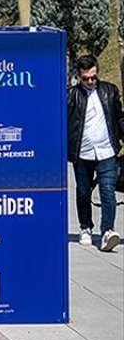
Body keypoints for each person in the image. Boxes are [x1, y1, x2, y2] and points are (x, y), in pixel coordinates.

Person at [67, 55, 122, 252]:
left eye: (93, 77)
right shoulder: (71, 96)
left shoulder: (109, 91)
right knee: (83, 191)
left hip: (106, 150)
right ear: (79, 77)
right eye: (86, 78)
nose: (90, 82)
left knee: (107, 190)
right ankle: (85, 227)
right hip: (82, 152)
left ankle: (107, 230)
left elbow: (118, 118)